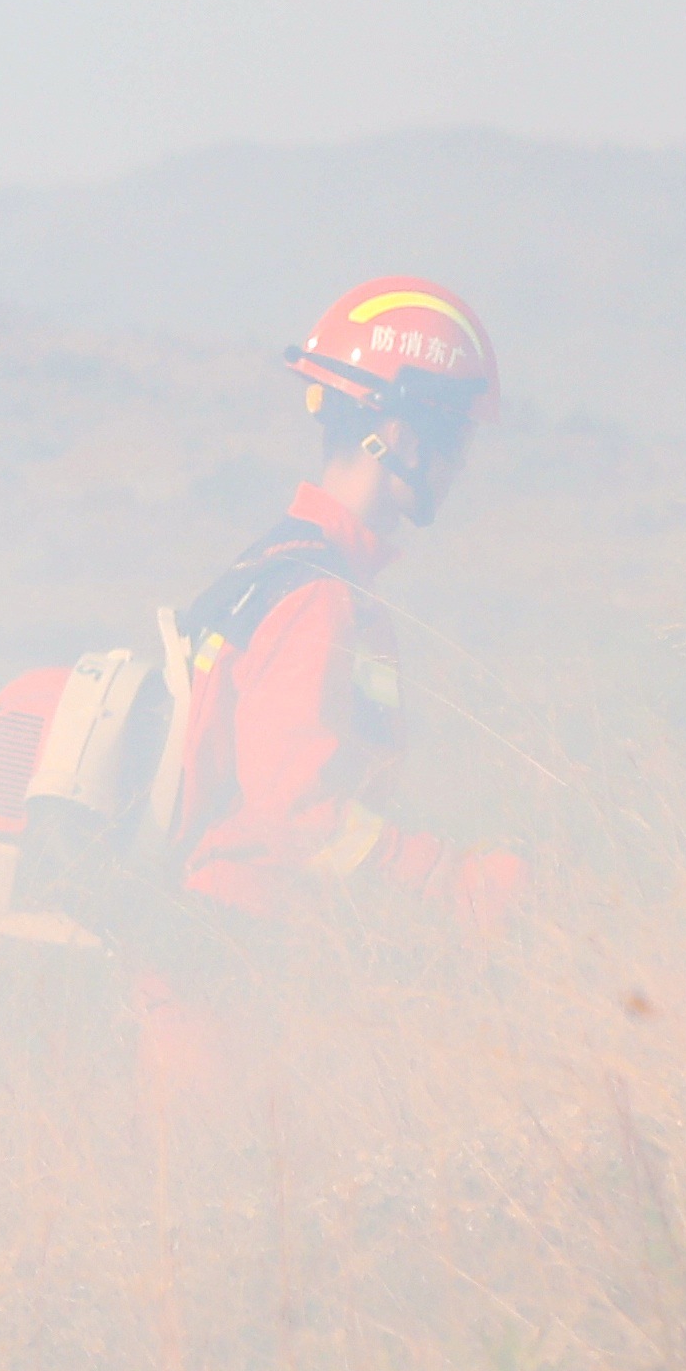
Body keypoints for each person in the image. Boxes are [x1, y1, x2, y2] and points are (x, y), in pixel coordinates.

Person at [137, 274, 525, 1112]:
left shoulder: (275, 565)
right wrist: (447, 876)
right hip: (235, 961)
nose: (458, 465)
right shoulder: (320, 595)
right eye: (452, 439)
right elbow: (298, 808)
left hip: (210, 951)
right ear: (398, 436)